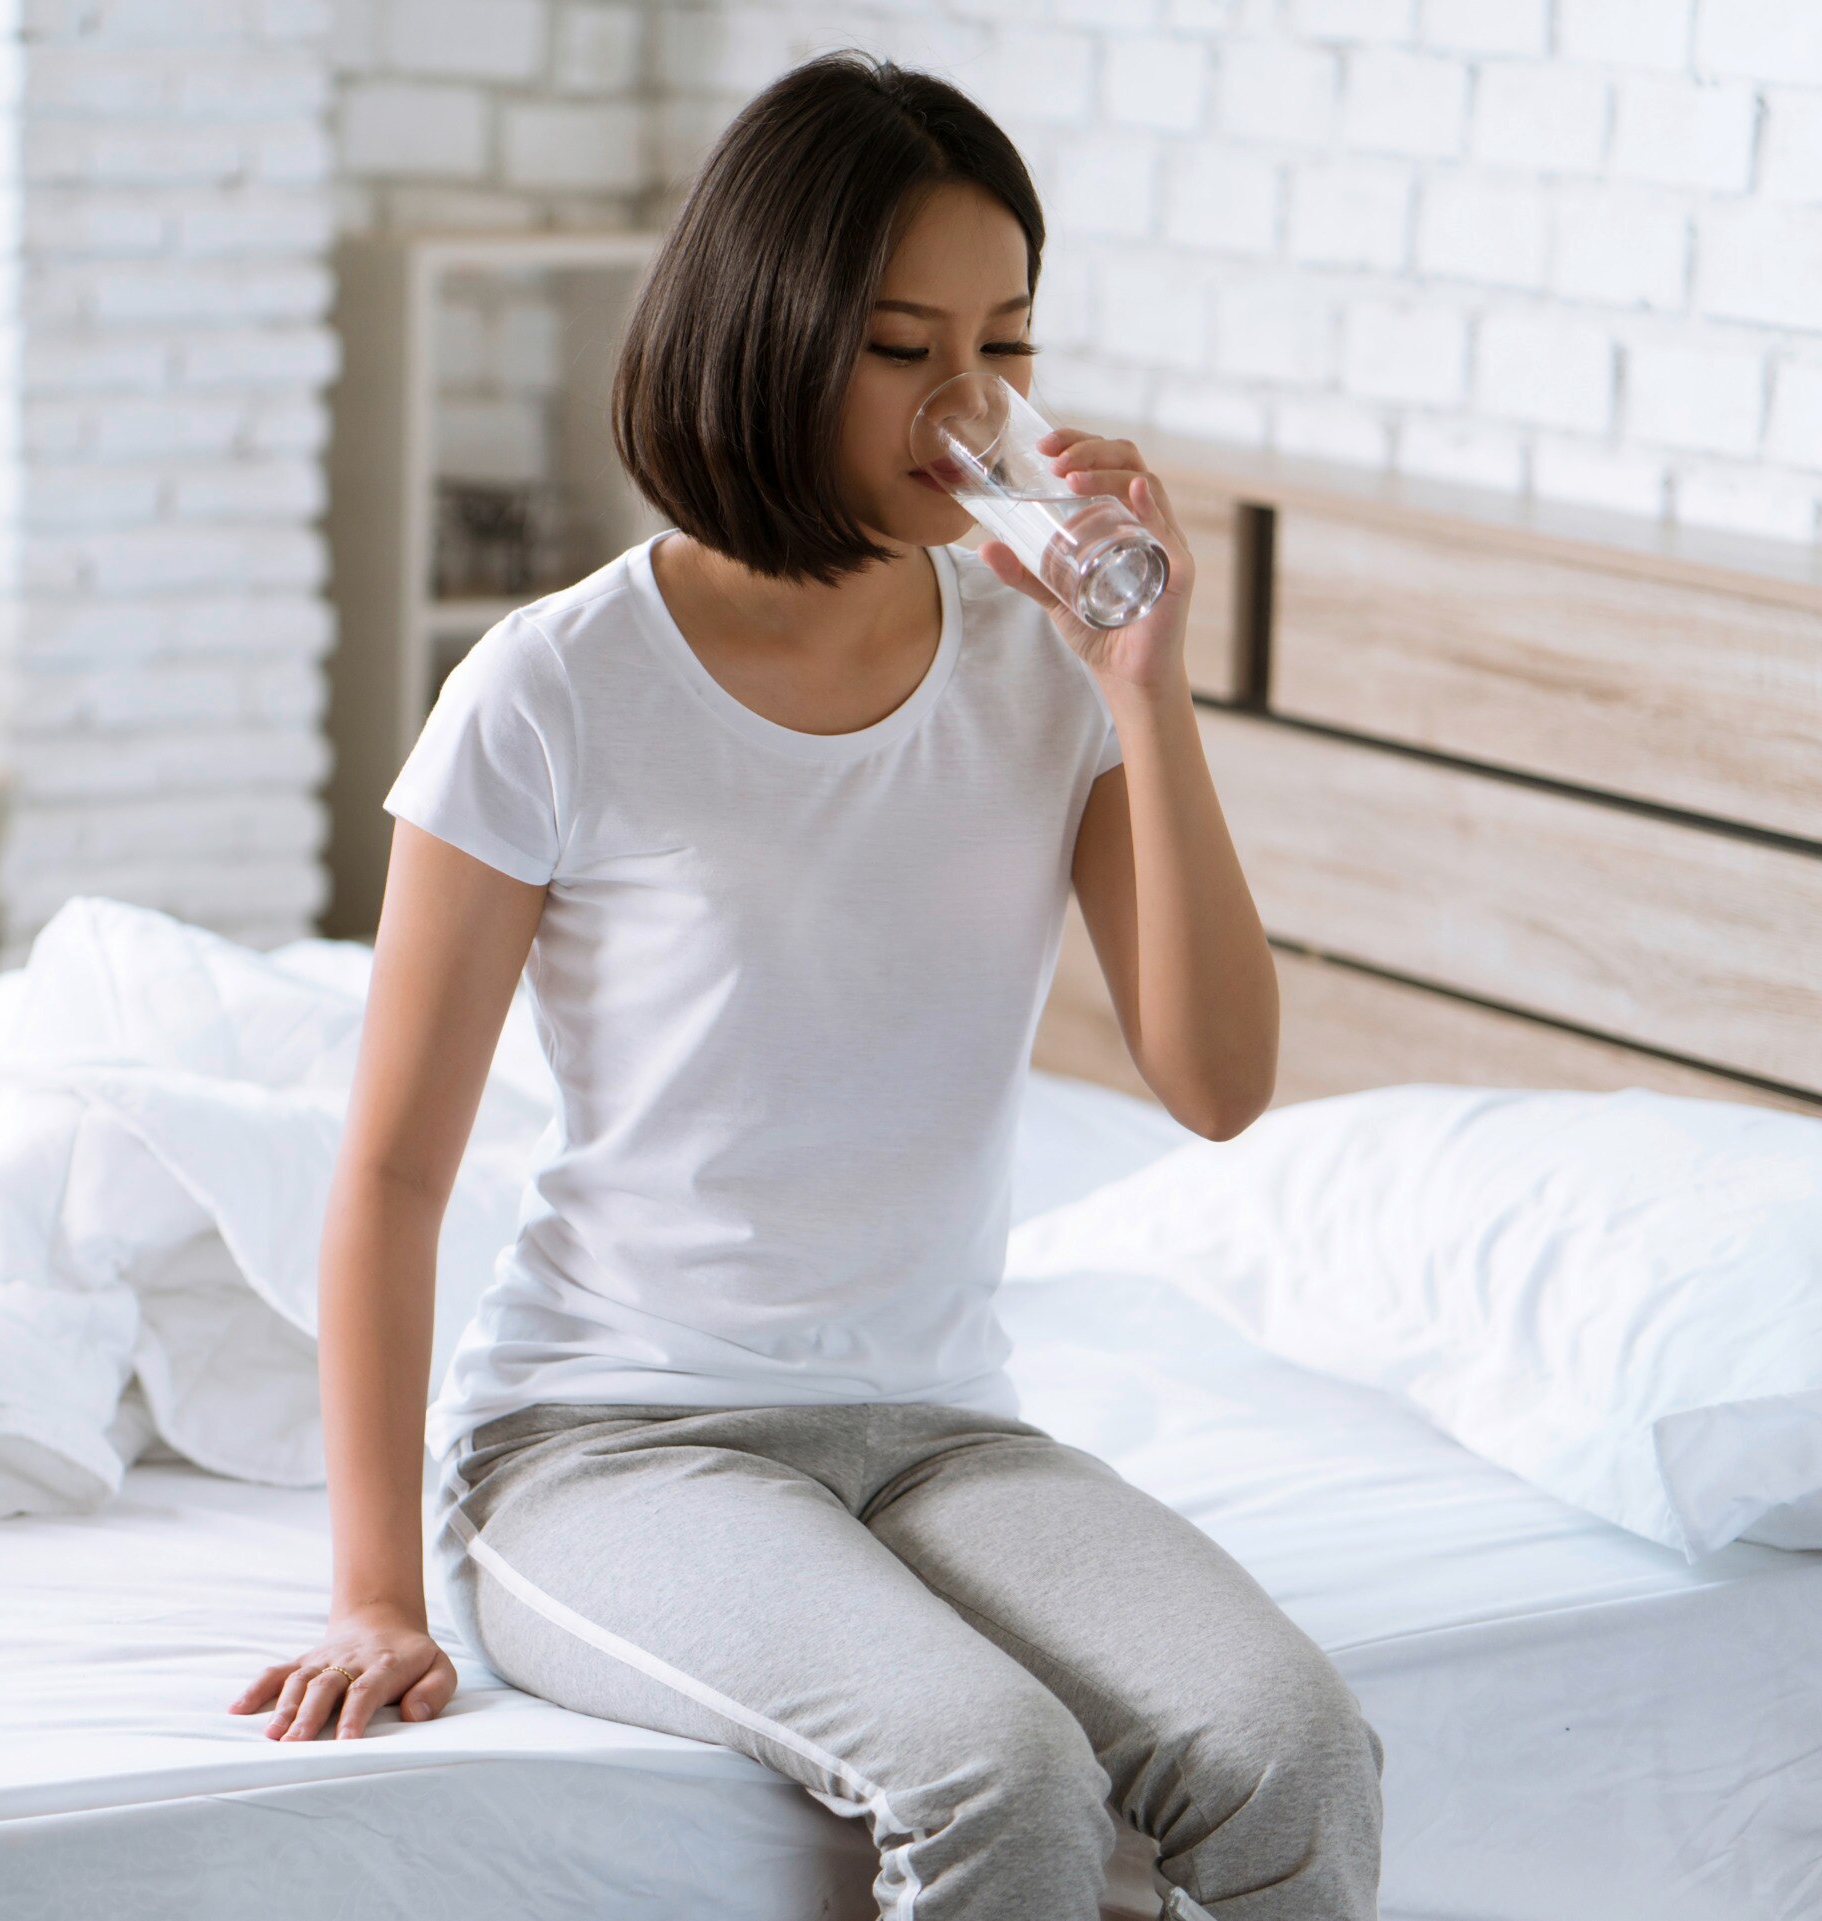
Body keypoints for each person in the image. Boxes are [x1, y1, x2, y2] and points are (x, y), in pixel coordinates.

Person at [232, 53, 1385, 1921]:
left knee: (1296, 1749)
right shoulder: (554, 687)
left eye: (1007, 346)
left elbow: (1219, 1079)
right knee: (995, 1773)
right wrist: (375, 1590)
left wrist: (1147, 689)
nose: (974, 408)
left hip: (942, 1429)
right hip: (612, 1445)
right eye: (901, 349)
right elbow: (388, 1179)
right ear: (767, 338)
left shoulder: (1043, 675)